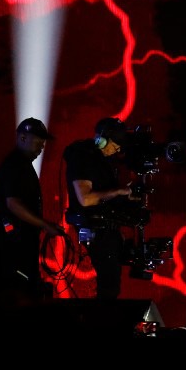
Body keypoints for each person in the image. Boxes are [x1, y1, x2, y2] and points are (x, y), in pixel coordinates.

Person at [62, 116, 141, 299]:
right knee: (109, 287)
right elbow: (86, 199)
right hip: (96, 229)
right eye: (116, 143)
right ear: (102, 139)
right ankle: (101, 322)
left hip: (106, 228)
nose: (118, 149)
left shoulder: (101, 160)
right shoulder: (82, 157)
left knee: (112, 284)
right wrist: (117, 191)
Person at [0, 117, 73, 300]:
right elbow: (13, 203)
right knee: (20, 289)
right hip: (15, 244)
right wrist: (44, 224)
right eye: (38, 141)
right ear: (22, 138)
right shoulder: (14, 165)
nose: (42, 147)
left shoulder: (22, 165)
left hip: (24, 241)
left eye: (43, 142)